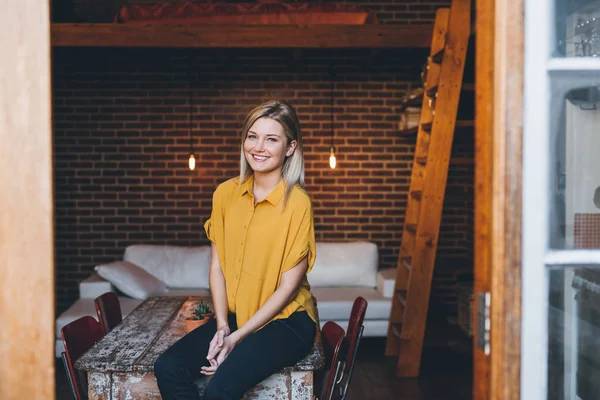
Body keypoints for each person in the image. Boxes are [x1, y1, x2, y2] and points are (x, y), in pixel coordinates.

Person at [154, 100, 318, 400]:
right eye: (252, 136)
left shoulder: (298, 204)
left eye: (272, 139)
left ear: (290, 147)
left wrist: (237, 338)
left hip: (287, 321)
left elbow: (288, 288)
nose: (259, 146)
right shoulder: (225, 194)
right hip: (236, 316)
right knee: (168, 367)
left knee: (220, 389)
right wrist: (221, 326)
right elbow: (217, 267)